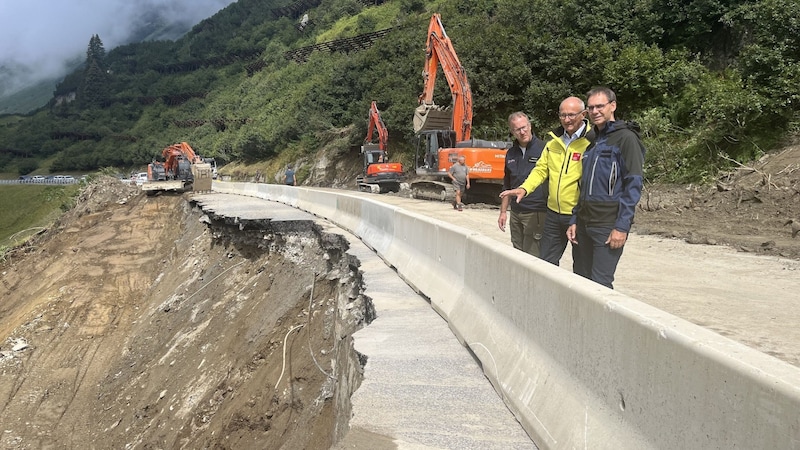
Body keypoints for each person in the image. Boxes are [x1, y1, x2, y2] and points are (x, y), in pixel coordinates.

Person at [566, 87, 646, 289]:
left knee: (600, 285)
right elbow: (583, 185)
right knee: (581, 281)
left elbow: (633, 184)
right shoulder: (592, 141)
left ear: (613, 106)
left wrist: (621, 226)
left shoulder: (626, 139)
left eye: (600, 106)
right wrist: (575, 219)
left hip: (607, 224)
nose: (595, 111)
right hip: (584, 223)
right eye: (591, 107)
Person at [499, 97, 593, 268]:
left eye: (571, 115)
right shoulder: (553, 143)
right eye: (563, 115)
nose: (566, 119)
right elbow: (541, 170)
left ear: (584, 114)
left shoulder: (592, 142)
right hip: (553, 214)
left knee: (582, 266)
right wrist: (524, 189)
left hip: (578, 214)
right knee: (545, 265)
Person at [497, 112, 549, 257]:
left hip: (536, 212)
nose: (522, 132)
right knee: (517, 253)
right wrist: (503, 212)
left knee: (533, 255)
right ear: (512, 132)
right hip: (516, 212)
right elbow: (507, 185)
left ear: (530, 126)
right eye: (517, 129)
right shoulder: (511, 154)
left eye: (524, 127)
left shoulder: (545, 149)